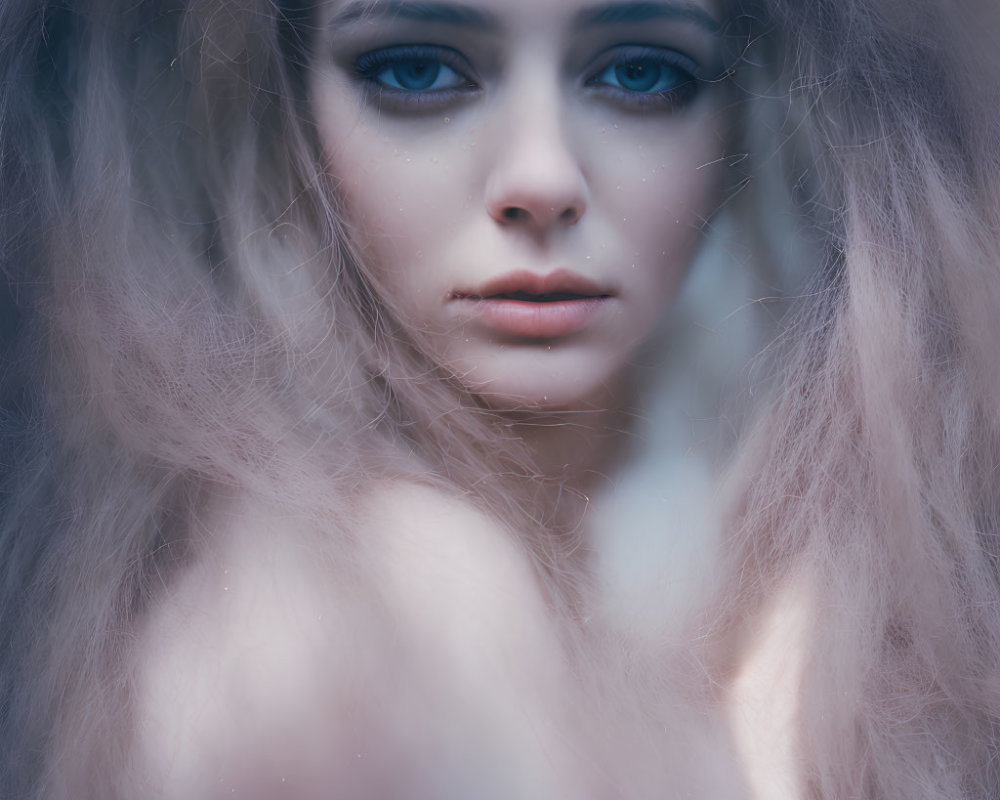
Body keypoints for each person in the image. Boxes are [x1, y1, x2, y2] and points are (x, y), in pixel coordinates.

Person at [2, 0, 1000, 797]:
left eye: (640, 70)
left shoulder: (824, 568)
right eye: (417, 69)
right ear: (285, 121)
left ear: (748, 108)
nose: (541, 178)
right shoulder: (357, 609)